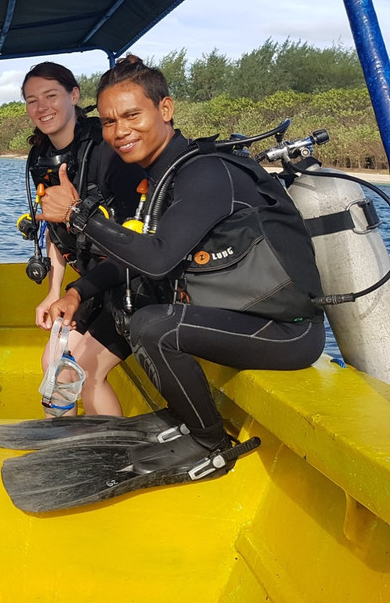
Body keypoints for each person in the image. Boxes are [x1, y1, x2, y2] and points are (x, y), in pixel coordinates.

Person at [39, 59, 325, 472]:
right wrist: (76, 291)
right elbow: (141, 255)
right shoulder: (163, 176)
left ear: (166, 109)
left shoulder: (206, 174)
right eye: (108, 121)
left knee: (154, 325)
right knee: (129, 306)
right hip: (235, 315)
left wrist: (78, 216)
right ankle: (175, 418)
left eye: (132, 115)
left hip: (286, 330)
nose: (119, 131)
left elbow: (156, 260)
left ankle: (209, 443)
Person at [21, 61, 142, 415]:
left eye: (51, 95)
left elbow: (137, 234)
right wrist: (55, 291)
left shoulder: (108, 151)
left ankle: (112, 461)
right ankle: (67, 445)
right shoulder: (42, 158)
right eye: (32, 100)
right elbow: (56, 231)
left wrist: (78, 210)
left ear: (74, 95)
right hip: (91, 284)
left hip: (133, 282)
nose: (42, 107)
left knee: (85, 372)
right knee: (52, 363)